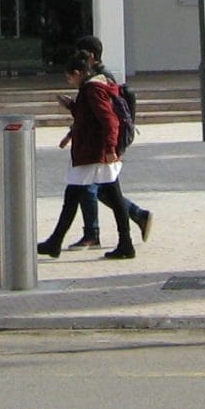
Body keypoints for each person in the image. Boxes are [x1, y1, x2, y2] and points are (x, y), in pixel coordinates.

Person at [39, 54, 137, 261]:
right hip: (97, 152)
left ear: (77, 73)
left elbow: (109, 120)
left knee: (73, 196)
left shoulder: (92, 89)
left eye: (69, 78)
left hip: (94, 153)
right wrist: (72, 106)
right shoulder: (97, 87)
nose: (69, 81)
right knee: (113, 196)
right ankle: (125, 244)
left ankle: (55, 242)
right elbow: (89, 117)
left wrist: (110, 148)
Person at [69, 34, 154, 248]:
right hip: (101, 144)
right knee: (106, 190)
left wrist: (110, 147)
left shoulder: (97, 81)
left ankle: (93, 233)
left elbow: (106, 118)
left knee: (88, 187)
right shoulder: (98, 78)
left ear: (90, 56)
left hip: (101, 146)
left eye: (80, 55)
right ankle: (135, 218)